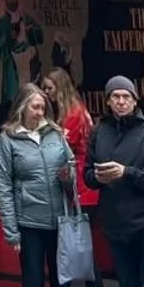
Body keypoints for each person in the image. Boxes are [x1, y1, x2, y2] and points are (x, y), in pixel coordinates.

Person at [86, 76, 144, 287]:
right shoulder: (98, 132)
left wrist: (127, 173)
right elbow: (87, 173)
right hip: (114, 223)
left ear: (134, 100)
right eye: (115, 96)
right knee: (126, 281)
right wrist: (96, 177)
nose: (121, 101)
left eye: (126, 96)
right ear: (108, 101)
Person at [0, 82, 76, 287]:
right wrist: (11, 231)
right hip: (29, 222)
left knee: (63, 279)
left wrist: (68, 176)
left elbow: (72, 165)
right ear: (22, 108)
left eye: (42, 107)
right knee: (33, 280)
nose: (40, 113)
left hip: (60, 219)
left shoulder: (56, 133)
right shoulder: (8, 139)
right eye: (35, 107)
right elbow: (3, 185)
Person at [43, 70, 97, 210]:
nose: (46, 92)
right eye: (45, 88)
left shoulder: (74, 113)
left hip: (79, 178)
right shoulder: (70, 110)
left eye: (50, 88)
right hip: (76, 176)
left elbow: (61, 147)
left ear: (60, 88)